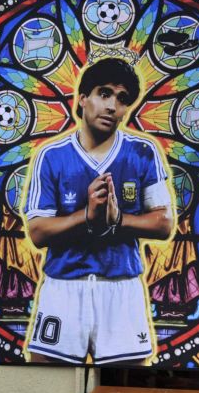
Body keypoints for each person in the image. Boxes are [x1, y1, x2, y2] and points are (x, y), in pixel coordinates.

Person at [23, 57, 175, 365]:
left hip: (121, 285)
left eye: (121, 100)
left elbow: (163, 223)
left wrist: (117, 219)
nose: (112, 106)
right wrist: (86, 217)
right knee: (45, 377)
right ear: (82, 99)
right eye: (104, 93)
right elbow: (37, 232)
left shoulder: (143, 152)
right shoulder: (51, 156)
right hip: (64, 285)